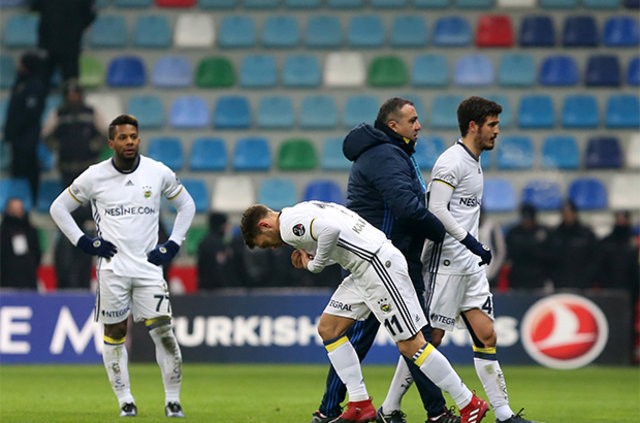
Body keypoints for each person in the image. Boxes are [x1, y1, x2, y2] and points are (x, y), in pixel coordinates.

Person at [240, 201, 489, 423]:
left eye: (264, 244)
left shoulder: (288, 226)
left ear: (263, 225)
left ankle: (469, 403)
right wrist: (317, 256)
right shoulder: (301, 209)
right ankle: (360, 403)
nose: (271, 248)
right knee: (329, 327)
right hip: (363, 267)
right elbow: (340, 235)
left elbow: (330, 231)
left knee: (411, 345)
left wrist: (314, 265)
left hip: (377, 266)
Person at [313, 97, 456, 423]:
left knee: (406, 339)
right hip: (387, 263)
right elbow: (406, 207)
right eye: (412, 120)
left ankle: (329, 410)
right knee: (413, 339)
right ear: (394, 126)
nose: (419, 126)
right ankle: (437, 412)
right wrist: (441, 231)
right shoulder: (386, 155)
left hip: (386, 261)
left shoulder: (388, 154)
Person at [49, 114, 195, 417]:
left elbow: (187, 205)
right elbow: (58, 208)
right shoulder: (94, 176)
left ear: (139, 139)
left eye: (134, 137)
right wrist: (85, 242)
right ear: (111, 143)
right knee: (115, 333)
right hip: (112, 271)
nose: (130, 142)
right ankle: (125, 400)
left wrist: (174, 243)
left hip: (148, 269)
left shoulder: (157, 172)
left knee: (165, 333)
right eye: (123, 138)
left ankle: (172, 400)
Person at [421, 96, 540, 423]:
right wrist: (472, 242)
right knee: (427, 341)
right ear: (473, 126)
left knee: (487, 334)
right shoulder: (451, 162)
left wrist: (472, 250)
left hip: (469, 265)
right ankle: (390, 407)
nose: (497, 131)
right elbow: (437, 210)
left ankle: (503, 413)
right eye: (492, 124)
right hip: (446, 261)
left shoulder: (474, 161)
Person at [42, 79, 105, 289]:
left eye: (75, 93)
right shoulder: (59, 114)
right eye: (70, 93)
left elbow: (105, 132)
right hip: (67, 171)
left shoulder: (90, 112)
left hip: (87, 170)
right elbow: (46, 135)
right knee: (68, 206)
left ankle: (87, 227)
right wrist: (58, 147)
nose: (73, 97)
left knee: (86, 209)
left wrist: (95, 146)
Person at [3, 50, 48, 203]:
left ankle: (29, 203)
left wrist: (14, 130)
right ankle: (17, 205)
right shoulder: (21, 83)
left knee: (28, 172)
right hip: (17, 139)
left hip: (27, 139)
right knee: (17, 174)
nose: (18, 66)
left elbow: (30, 115)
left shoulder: (35, 85)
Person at [31, 0, 96, 90]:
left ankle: (71, 104)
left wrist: (77, 27)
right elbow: (34, 6)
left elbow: (90, 14)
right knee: (41, 84)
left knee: (71, 85)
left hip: (68, 46)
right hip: (49, 44)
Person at [547, 200, 598, 290]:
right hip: (560, 284)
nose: (567, 215)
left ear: (575, 213)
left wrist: (587, 278)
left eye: (570, 212)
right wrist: (554, 278)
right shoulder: (554, 234)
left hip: (582, 284)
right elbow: (549, 259)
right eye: (565, 212)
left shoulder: (587, 234)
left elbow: (594, 258)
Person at [504, 204, 552, 291]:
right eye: (525, 218)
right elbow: (509, 254)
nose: (527, 221)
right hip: (518, 278)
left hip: (538, 278)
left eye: (529, 218)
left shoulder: (543, 232)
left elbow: (548, 255)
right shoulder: (514, 233)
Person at [0, 197, 41, 290]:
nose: (18, 212)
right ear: (9, 210)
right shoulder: (3, 232)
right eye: (14, 209)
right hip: (7, 279)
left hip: (29, 279)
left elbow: (37, 253)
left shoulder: (31, 231)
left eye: (19, 208)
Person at [197, 211, 233, 289]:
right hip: (215, 291)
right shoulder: (216, 244)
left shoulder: (204, 242)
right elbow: (218, 270)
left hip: (204, 288)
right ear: (222, 225)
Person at [478, 210, 506, 289]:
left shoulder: (491, 226)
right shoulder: (466, 226)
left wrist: (493, 274)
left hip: (489, 273)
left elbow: (500, 251)